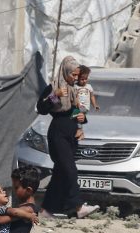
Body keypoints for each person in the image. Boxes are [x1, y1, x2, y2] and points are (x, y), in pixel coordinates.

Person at [36, 56, 98, 220]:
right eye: (73, 75)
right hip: (58, 133)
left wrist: (81, 122)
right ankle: (77, 207)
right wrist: (54, 96)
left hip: (72, 133)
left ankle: (46, 210)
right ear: (65, 72)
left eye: (78, 75)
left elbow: (79, 112)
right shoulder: (53, 87)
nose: (76, 78)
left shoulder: (75, 90)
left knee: (61, 172)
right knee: (70, 169)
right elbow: (41, 108)